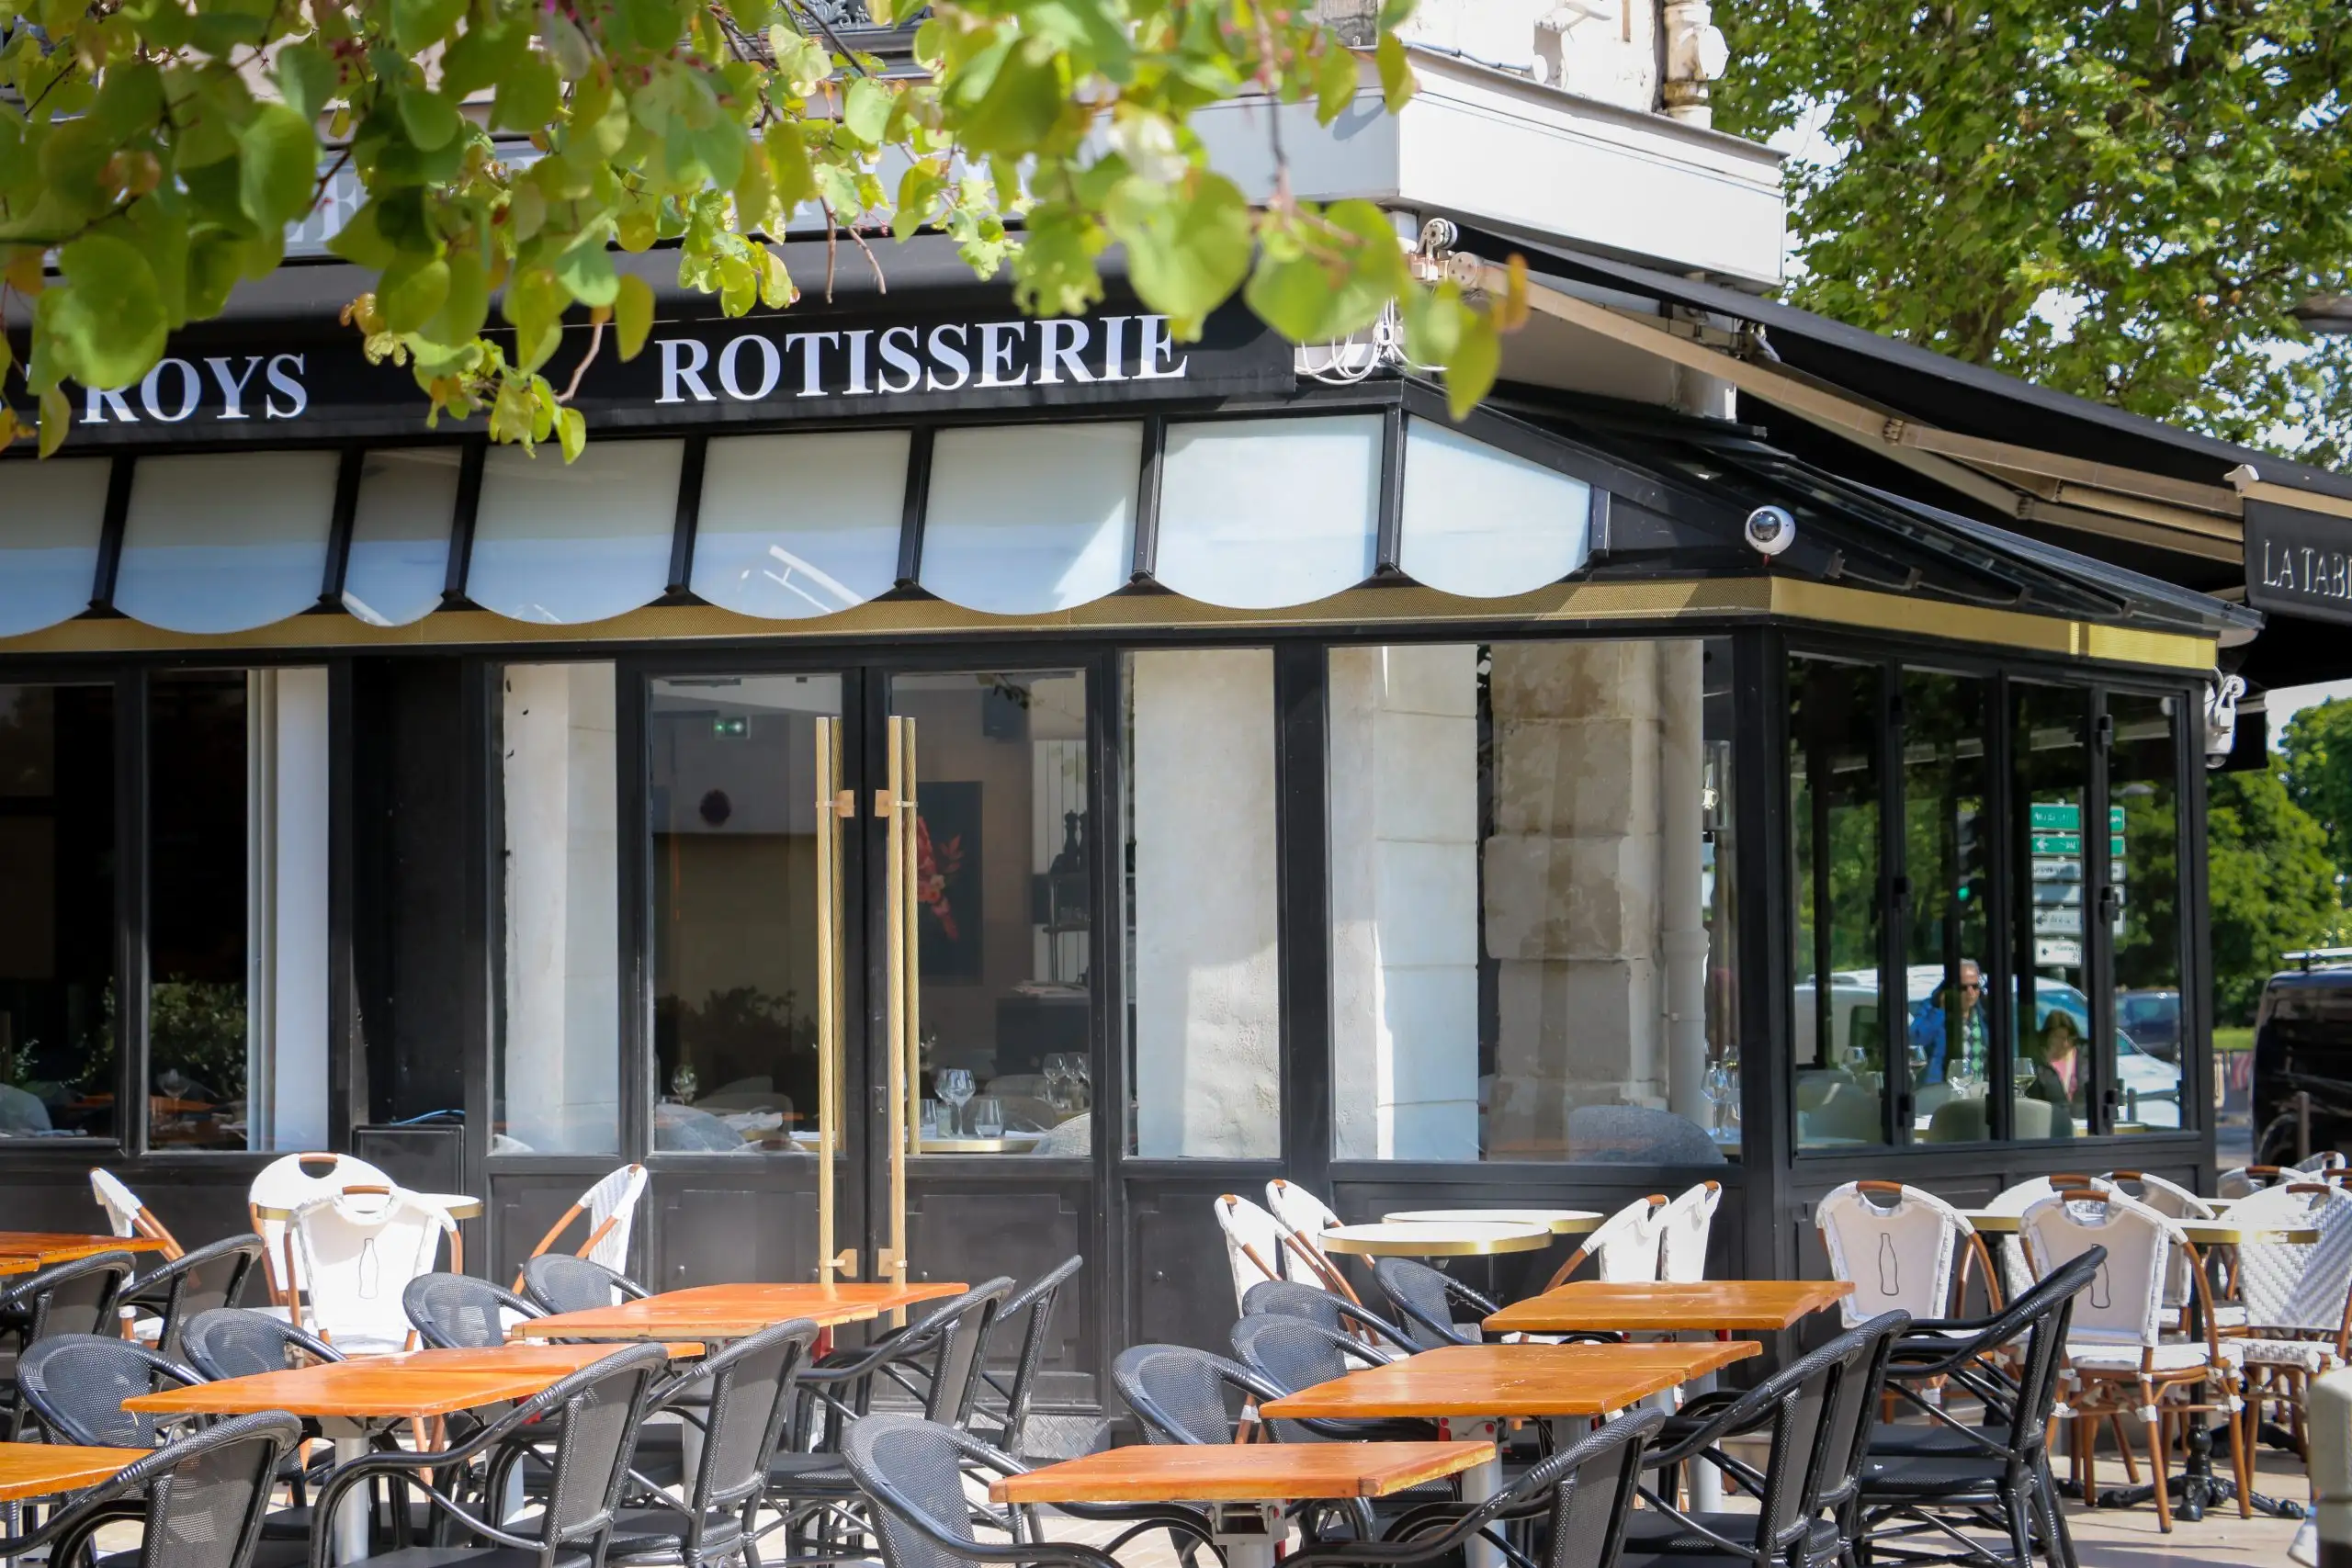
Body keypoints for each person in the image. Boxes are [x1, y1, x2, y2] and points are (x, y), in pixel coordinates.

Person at [1909, 961, 1988, 1086]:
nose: (1971, 993)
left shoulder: (1983, 1014)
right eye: (1963, 988)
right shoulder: (1931, 1009)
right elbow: (1915, 1041)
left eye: (1975, 986)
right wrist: (1940, 1010)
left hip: (1977, 1092)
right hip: (1942, 1091)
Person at [2024, 1011, 2085, 1116]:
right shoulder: (2039, 1064)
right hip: (2051, 1121)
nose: (2065, 1043)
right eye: (2058, 1037)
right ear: (2048, 1037)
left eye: (2068, 1038)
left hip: (2083, 1123)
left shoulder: (2084, 1058)